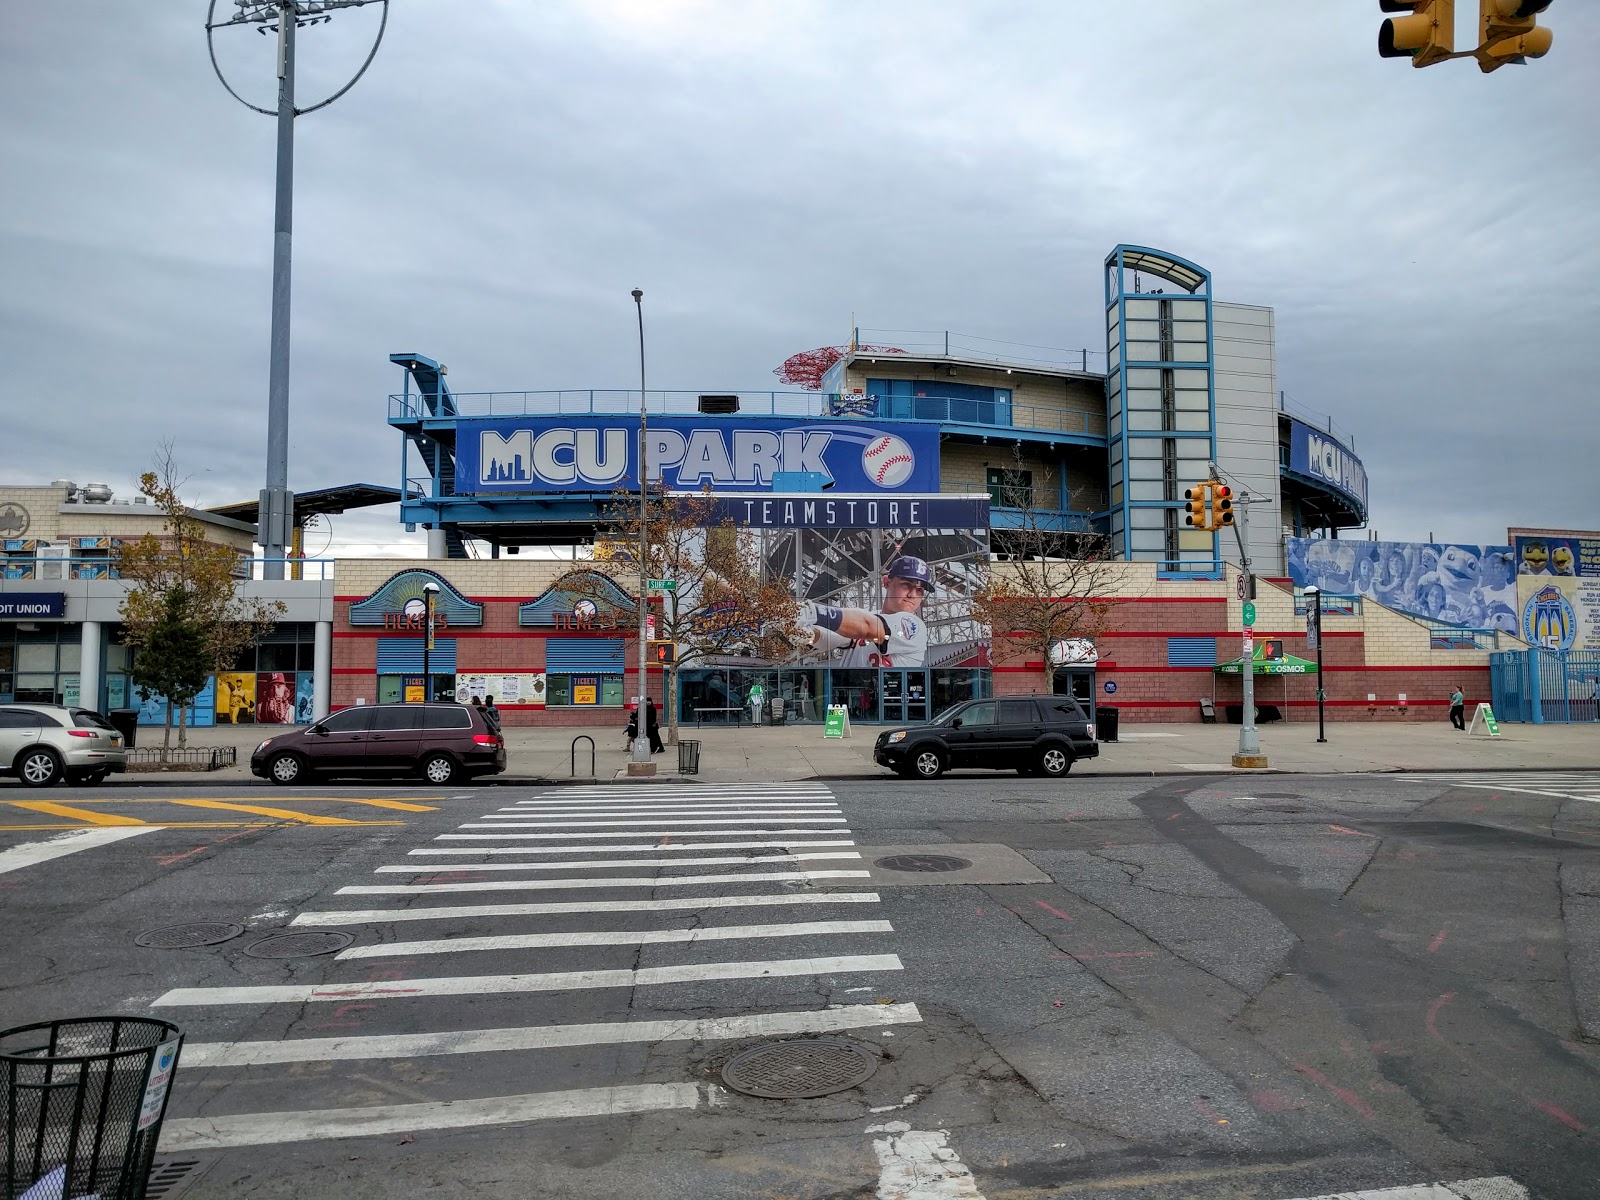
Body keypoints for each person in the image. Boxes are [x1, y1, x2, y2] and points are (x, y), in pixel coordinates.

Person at [798, 555, 933, 668]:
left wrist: (812, 611)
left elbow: (868, 627)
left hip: (882, 698)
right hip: (851, 696)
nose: (912, 595)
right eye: (907, 585)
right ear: (886, 582)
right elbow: (830, 638)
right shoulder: (865, 619)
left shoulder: (915, 627)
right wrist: (806, 634)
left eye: (919, 590)